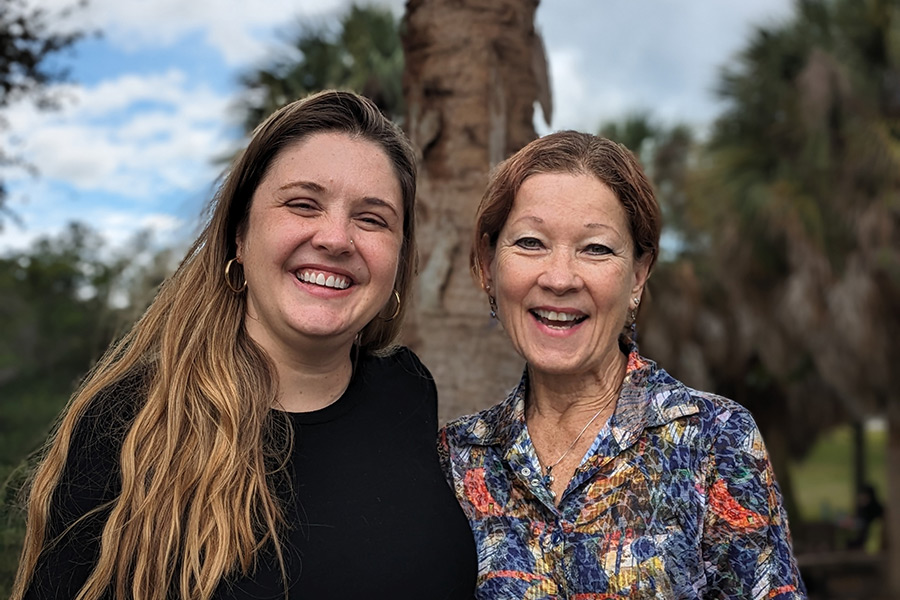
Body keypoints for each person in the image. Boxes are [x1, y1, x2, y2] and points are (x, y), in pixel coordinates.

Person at [13, 90, 476, 600]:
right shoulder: (132, 426)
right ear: (239, 235)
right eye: (303, 204)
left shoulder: (408, 391)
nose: (336, 238)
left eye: (372, 219)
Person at [439, 131, 806, 599]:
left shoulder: (716, 440)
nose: (558, 278)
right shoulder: (459, 458)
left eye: (595, 248)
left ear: (638, 274)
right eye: (531, 242)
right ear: (489, 266)